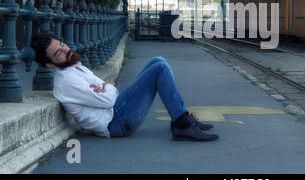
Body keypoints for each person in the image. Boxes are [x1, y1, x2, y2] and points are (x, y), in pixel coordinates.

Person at [31, 31, 219, 141]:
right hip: (117, 122)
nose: (66, 50)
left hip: (117, 110)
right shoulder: (67, 80)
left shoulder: (74, 67)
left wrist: (105, 87)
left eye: (62, 44)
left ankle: (181, 118)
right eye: (58, 53)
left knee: (157, 60)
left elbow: (108, 89)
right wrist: (105, 88)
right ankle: (182, 123)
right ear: (49, 64)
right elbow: (109, 98)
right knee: (160, 68)